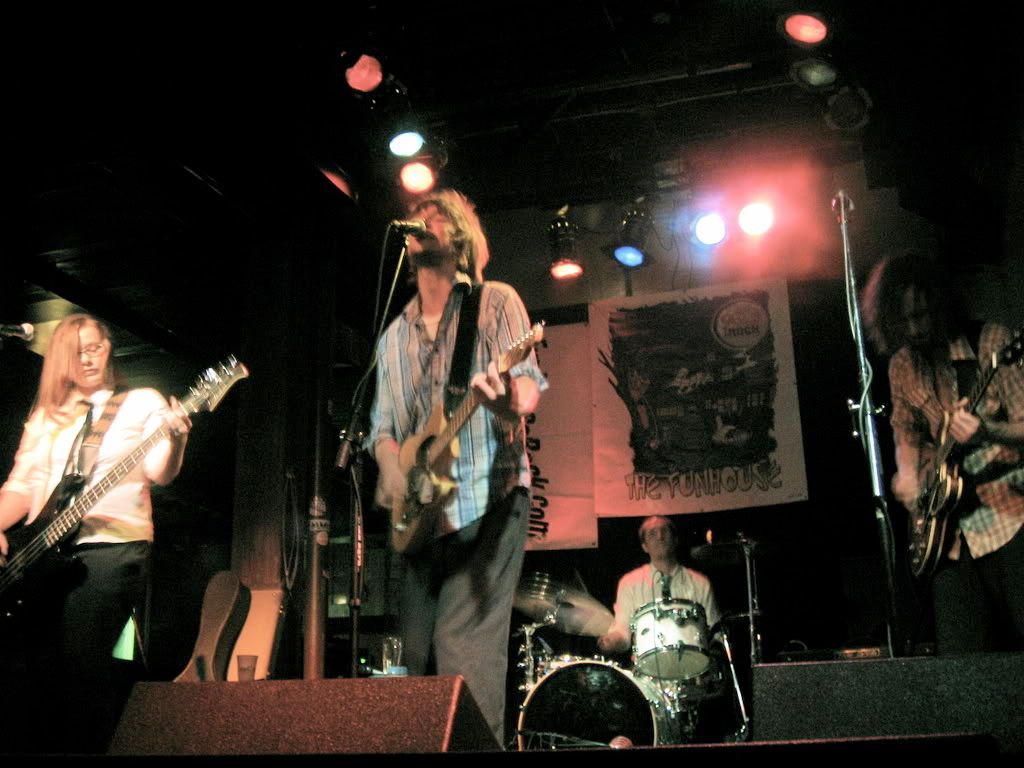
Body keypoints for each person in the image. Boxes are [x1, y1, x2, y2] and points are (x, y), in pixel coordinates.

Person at [366, 189, 547, 748]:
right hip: (423, 521)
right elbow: (383, 430)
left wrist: (504, 399)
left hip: (488, 501)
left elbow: (527, 389)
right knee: (407, 663)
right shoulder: (393, 336)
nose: (423, 219)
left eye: (439, 215)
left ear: (462, 236)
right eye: (417, 215)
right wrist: (391, 467)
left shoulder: (494, 303)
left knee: (465, 652)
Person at [0, 313, 192, 753]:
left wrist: (177, 440)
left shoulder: (141, 402)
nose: (87, 359)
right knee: (37, 674)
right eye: (77, 352)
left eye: (95, 348)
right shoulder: (47, 417)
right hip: (45, 555)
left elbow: (160, 471)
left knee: (85, 667)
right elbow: (22, 486)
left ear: (109, 349)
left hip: (114, 548)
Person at [861, 250, 1024, 653]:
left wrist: (989, 431)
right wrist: (908, 476)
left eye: (922, 315)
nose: (914, 329)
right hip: (948, 539)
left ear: (941, 304)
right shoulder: (902, 365)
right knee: (961, 668)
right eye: (904, 320)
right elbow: (906, 432)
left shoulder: (992, 342)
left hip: (1009, 520)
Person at [598, 515, 721, 656]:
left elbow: (715, 631)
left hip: (694, 664)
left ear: (675, 540)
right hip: (647, 667)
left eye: (665, 531)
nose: (660, 537)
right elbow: (623, 631)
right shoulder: (629, 583)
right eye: (652, 533)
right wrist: (612, 641)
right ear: (644, 546)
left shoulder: (700, 583)